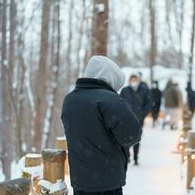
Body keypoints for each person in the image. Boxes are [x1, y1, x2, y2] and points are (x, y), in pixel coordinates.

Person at [61, 56, 141, 195]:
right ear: (110, 78)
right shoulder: (110, 100)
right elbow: (132, 135)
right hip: (106, 180)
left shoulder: (69, 99)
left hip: (80, 179)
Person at [120, 74, 152, 165]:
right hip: (127, 118)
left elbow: (148, 103)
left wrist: (143, 113)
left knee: (137, 138)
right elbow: (120, 102)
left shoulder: (144, 90)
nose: (133, 82)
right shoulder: (125, 90)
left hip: (139, 118)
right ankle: (127, 157)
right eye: (132, 80)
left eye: (135, 80)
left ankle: (136, 158)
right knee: (126, 138)